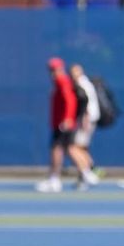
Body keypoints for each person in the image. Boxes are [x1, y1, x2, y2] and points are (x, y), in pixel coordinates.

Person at [35, 57, 99, 193]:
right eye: (51, 69)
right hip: (60, 123)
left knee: (63, 149)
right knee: (67, 149)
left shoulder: (62, 81)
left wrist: (68, 119)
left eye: (55, 69)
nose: (52, 72)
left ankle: (62, 178)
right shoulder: (60, 81)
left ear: (60, 69)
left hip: (63, 123)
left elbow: (69, 101)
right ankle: (83, 174)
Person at [69, 63, 100, 189]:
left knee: (73, 148)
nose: (73, 75)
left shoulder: (81, 85)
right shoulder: (84, 83)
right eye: (72, 72)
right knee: (82, 148)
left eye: (75, 72)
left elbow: (86, 103)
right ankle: (86, 175)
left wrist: (85, 120)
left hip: (86, 120)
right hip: (87, 120)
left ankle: (88, 173)